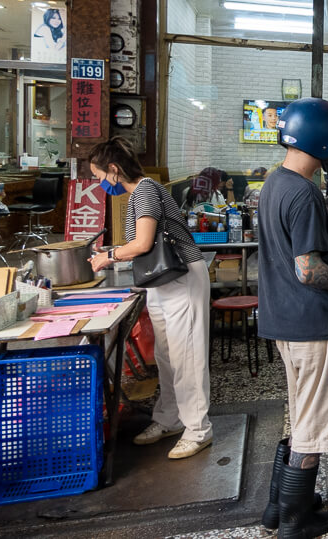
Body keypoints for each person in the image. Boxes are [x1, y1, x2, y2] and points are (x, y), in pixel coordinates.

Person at [257, 97, 328, 537]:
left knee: (300, 416)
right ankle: (297, 522)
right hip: (315, 326)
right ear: (322, 138)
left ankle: (278, 509)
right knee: (313, 427)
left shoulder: (274, 184)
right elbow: (308, 270)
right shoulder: (303, 193)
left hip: (287, 323)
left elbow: (302, 260)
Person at [87, 138, 212, 460]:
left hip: (181, 278)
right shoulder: (139, 194)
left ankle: (198, 430)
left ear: (114, 169)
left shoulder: (144, 190)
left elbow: (142, 244)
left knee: (187, 358)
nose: (100, 184)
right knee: (168, 356)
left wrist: (109, 256)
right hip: (161, 281)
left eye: (99, 176)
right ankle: (169, 419)